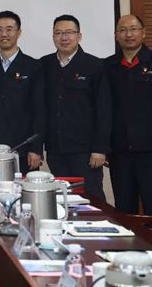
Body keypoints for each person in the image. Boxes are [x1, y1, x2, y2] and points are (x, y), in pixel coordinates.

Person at [105, 14, 152, 215]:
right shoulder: (108, 66)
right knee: (125, 212)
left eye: (133, 29)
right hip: (120, 152)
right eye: (123, 30)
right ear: (116, 35)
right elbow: (104, 109)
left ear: (143, 33)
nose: (128, 34)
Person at [41, 14, 112, 202]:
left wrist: (100, 149)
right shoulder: (45, 65)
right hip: (56, 148)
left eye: (69, 32)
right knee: (62, 199)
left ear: (79, 36)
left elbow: (104, 109)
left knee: (91, 199)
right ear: (53, 36)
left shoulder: (95, 65)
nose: (64, 37)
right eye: (58, 33)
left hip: (86, 151)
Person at [0, 11, 44, 173]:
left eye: (9, 29)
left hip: (24, 148)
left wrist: (36, 148)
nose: (4, 34)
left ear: (19, 32)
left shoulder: (34, 66)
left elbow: (39, 109)